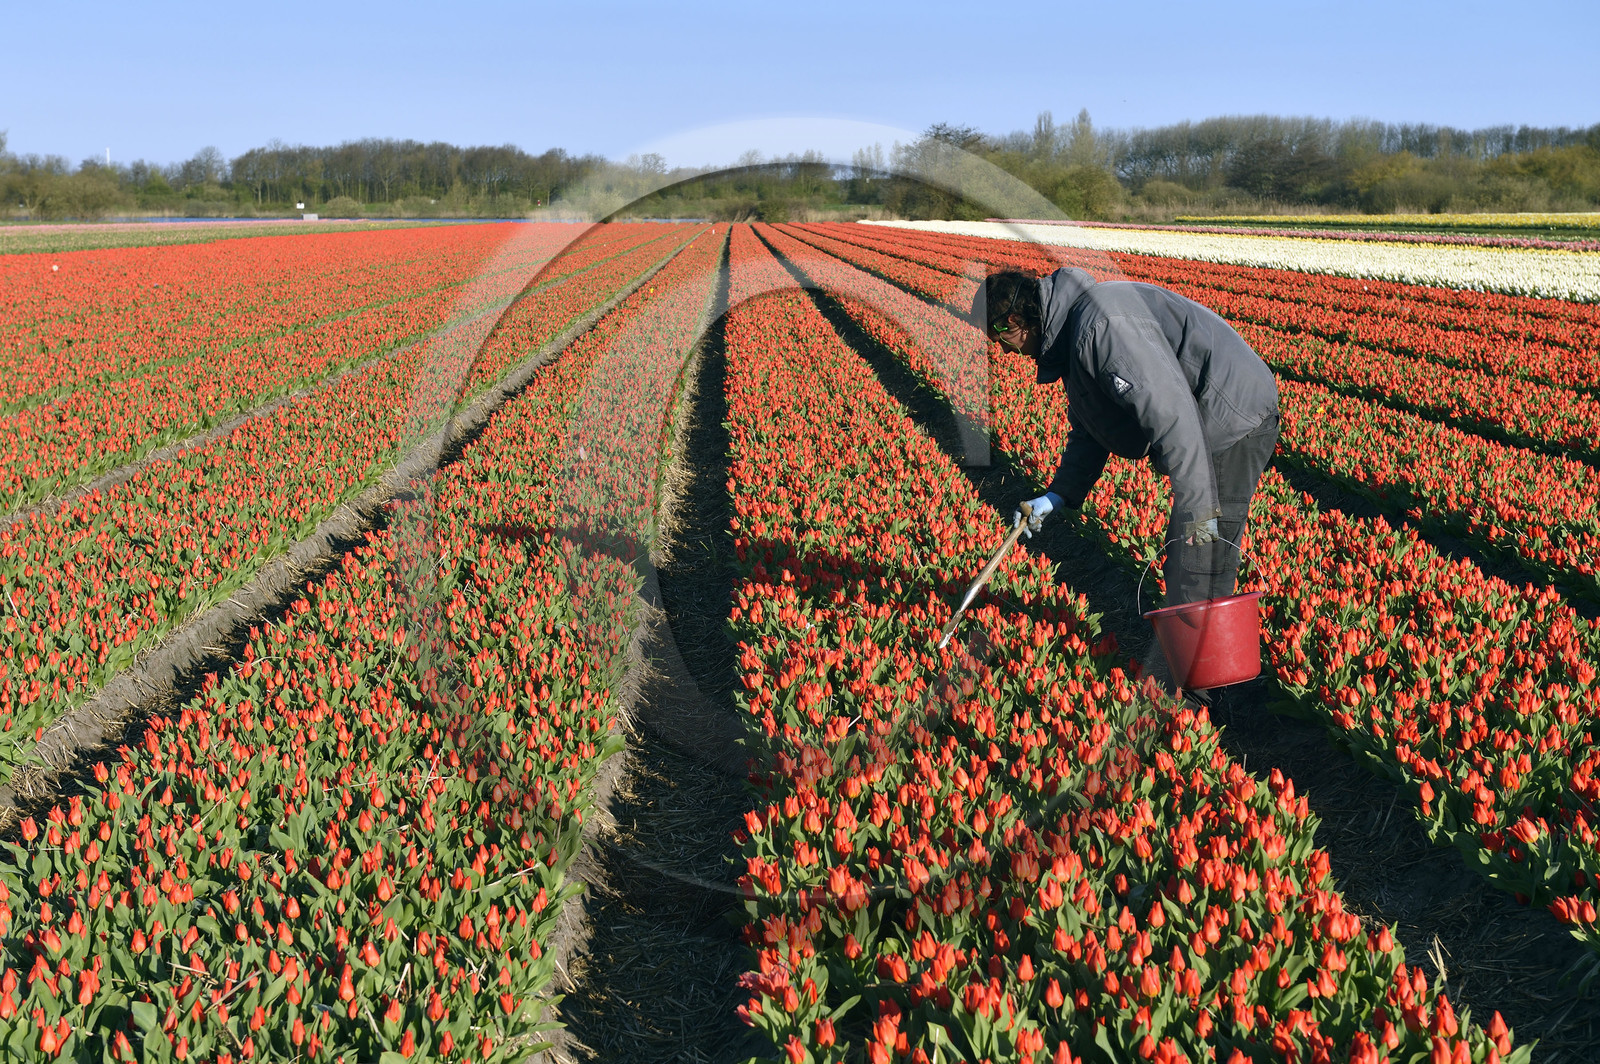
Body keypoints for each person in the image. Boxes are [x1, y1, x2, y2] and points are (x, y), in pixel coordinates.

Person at [976, 267, 1280, 609]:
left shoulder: (1101, 330)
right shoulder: (1071, 335)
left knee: (1200, 561)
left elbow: (1176, 423)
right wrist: (1058, 495)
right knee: (1186, 561)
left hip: (1231, 417)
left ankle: (1209, 656)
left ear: (1014, 321)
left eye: (998, 339)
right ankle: (1195, 648)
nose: (1003, 352)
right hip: (1206, 421)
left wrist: (1200, 512)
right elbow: (1091, 428)